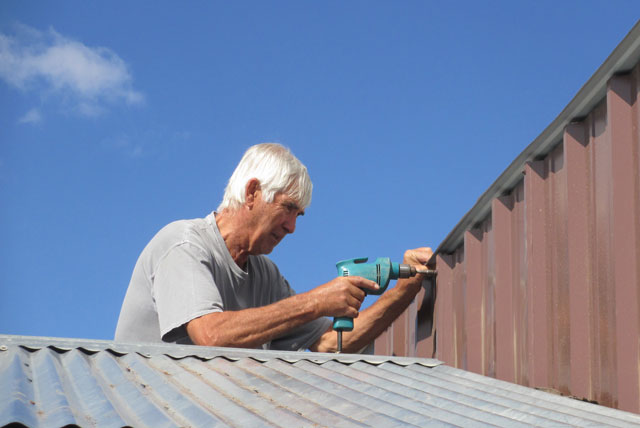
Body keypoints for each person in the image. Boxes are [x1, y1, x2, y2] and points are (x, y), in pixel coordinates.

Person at [115, 143, 432, 353]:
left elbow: (330, 344)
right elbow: (211, 336)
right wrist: (315, 302)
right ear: (252, 192)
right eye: (288, 208)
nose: (292, 227)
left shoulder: (265, 275)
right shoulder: (184, 244)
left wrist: (404, 291)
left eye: (299, 216)